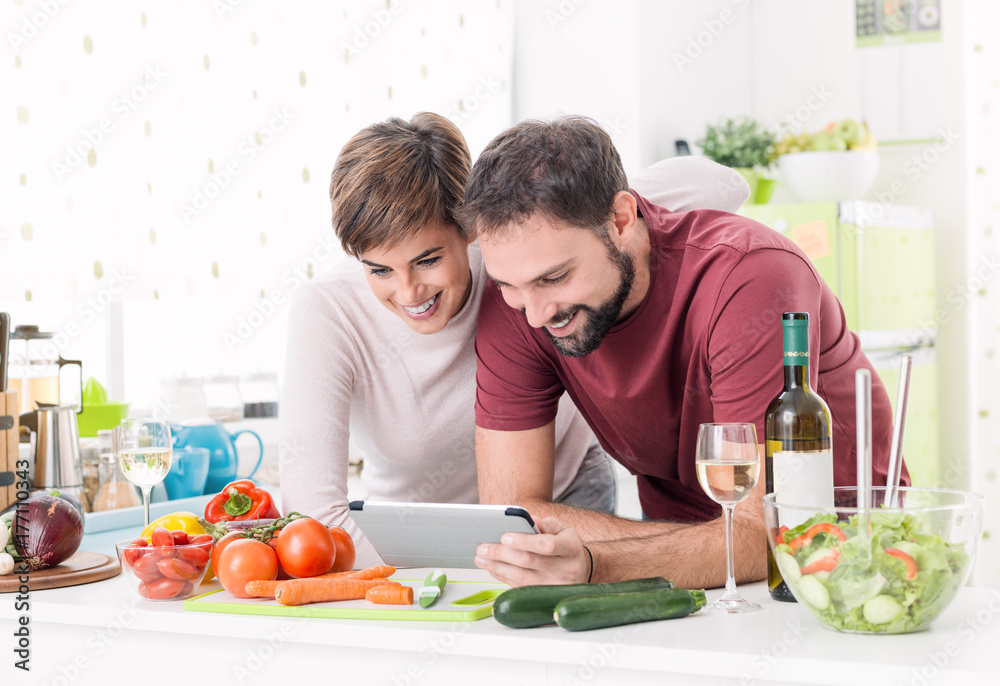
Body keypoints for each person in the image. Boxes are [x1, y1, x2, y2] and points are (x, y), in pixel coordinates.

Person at [279, 112, 752, 568]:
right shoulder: (327, 313)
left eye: (427, 260)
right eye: (378, 269)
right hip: (410, 533)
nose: (407, 292)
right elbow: (312, 513)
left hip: (561, 502)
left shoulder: (514, 256)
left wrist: (593, 208)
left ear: (469, 230)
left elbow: (725, 184)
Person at [459, 115, 908, 588]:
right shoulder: (519, 298)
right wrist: (673, 550)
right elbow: (509, 515)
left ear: (620, 221)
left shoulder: (750, 277)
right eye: (510, 285)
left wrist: (598, 561)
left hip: (846, 554)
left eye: (555, 278)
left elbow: (769, 534)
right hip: (683, 576)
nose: (532, 315)